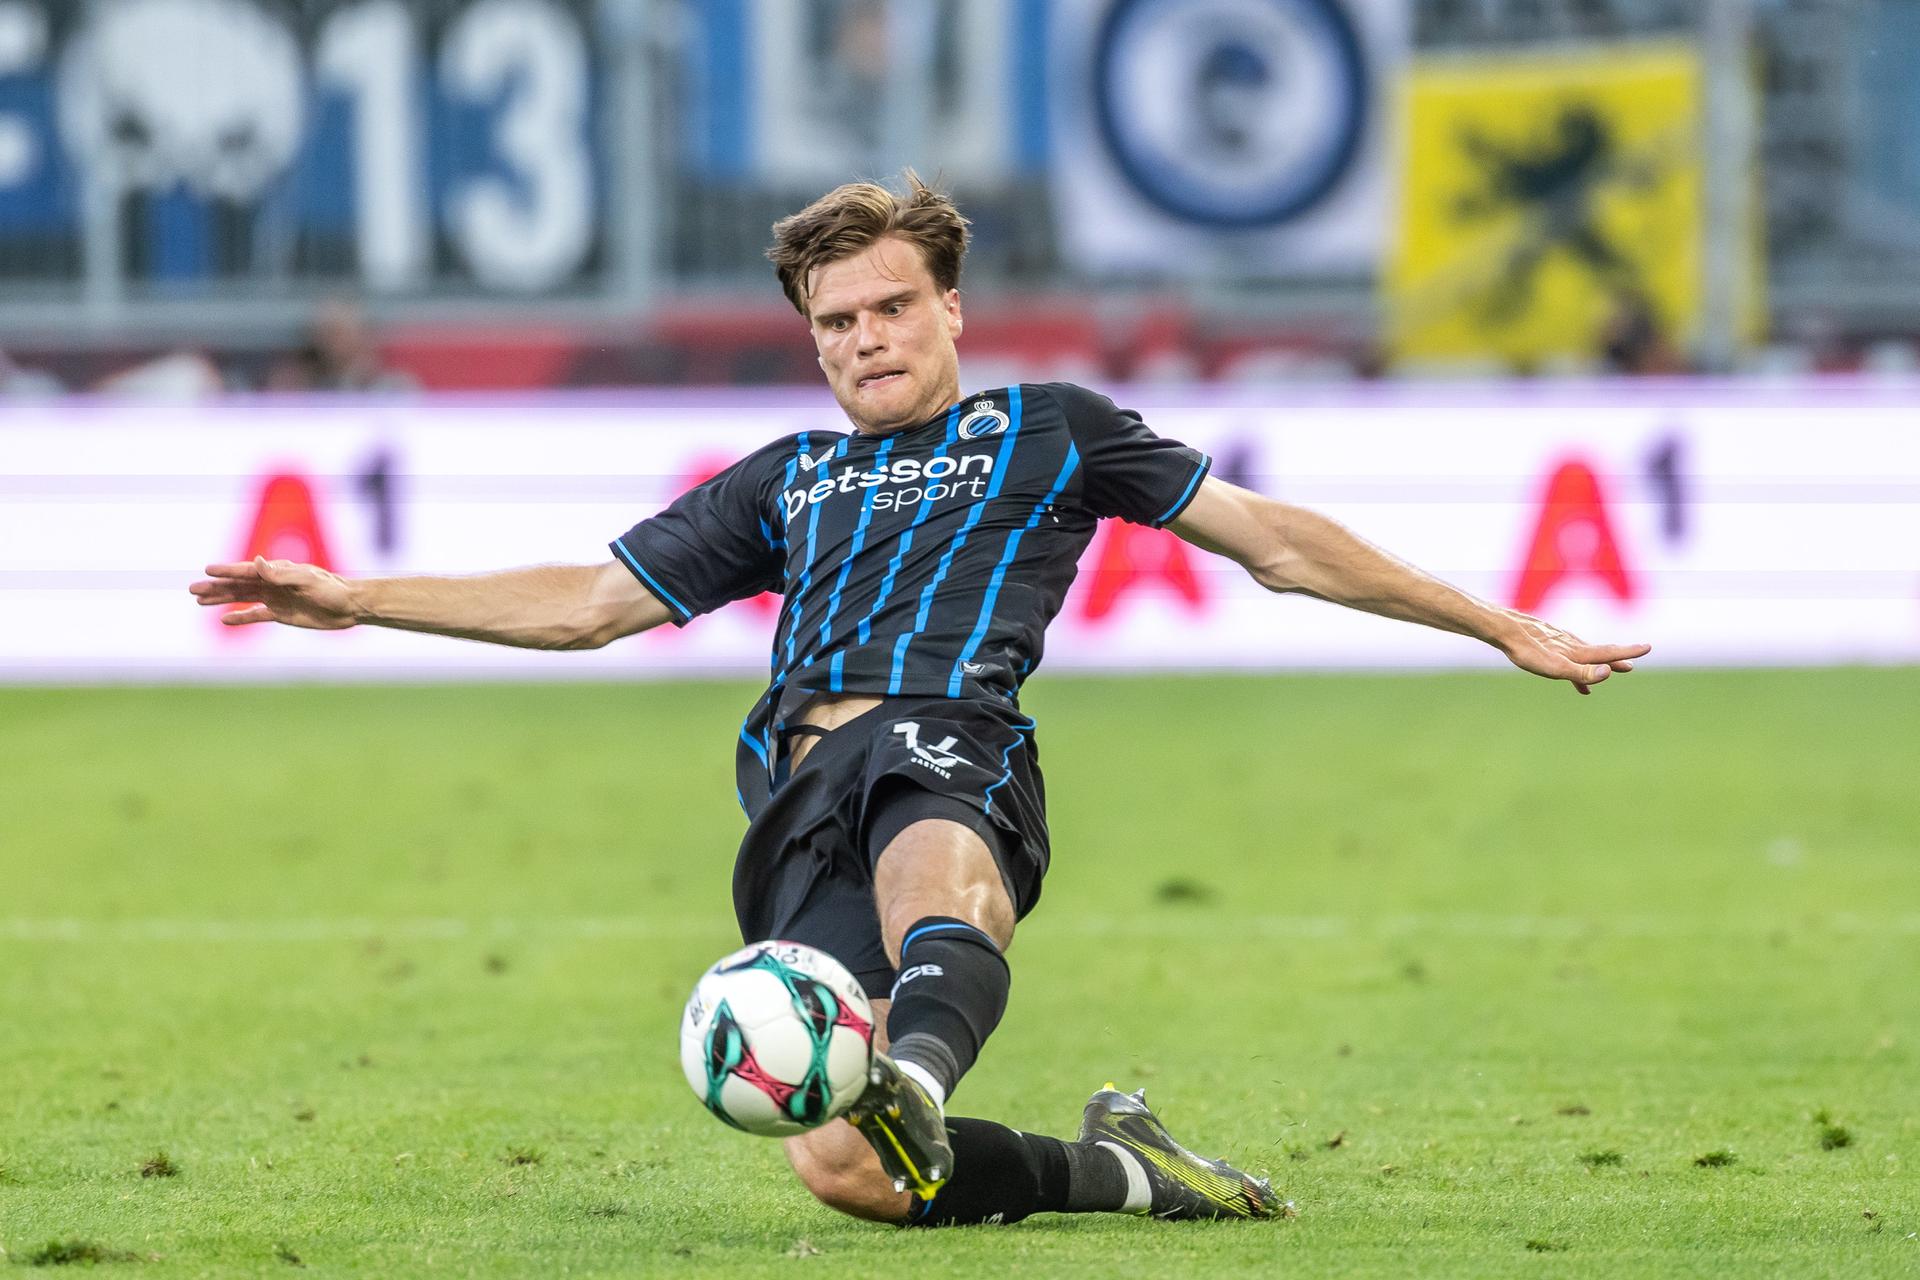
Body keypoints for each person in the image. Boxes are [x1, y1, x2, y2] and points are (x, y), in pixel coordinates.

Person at [190, 172, 1650, 1228]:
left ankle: (920, 1071)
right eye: (835, 321)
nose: (865, 337)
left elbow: (1271, 540)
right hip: (795, 796)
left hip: (949, 730)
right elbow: (587, 604)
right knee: (846, 1175)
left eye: (892, 306)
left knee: (934, 877)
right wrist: (358, 596)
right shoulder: (787, 480)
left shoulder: (1049, 430)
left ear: (950, 307)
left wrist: (1491, 620)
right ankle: (1129, 1169)